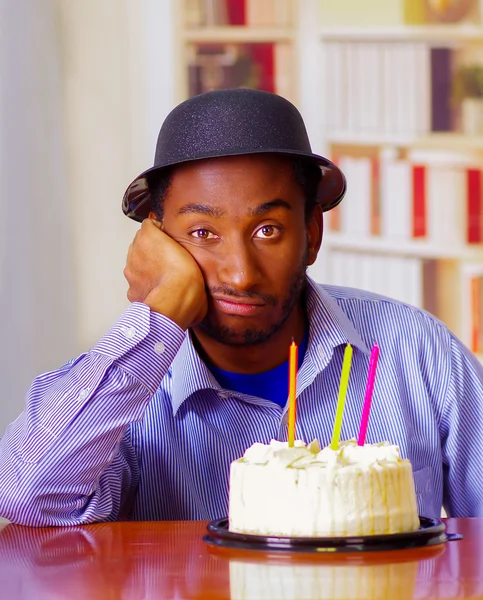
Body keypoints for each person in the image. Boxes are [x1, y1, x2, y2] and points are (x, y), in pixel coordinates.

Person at [0, 89, 482, 527]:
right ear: (157, 241)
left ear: (312, 234)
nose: (240, 274)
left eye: (267, 230)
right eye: (202, 234)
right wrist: (160, 314)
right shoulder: (125, 397)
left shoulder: (422, 354)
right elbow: (23, 499)